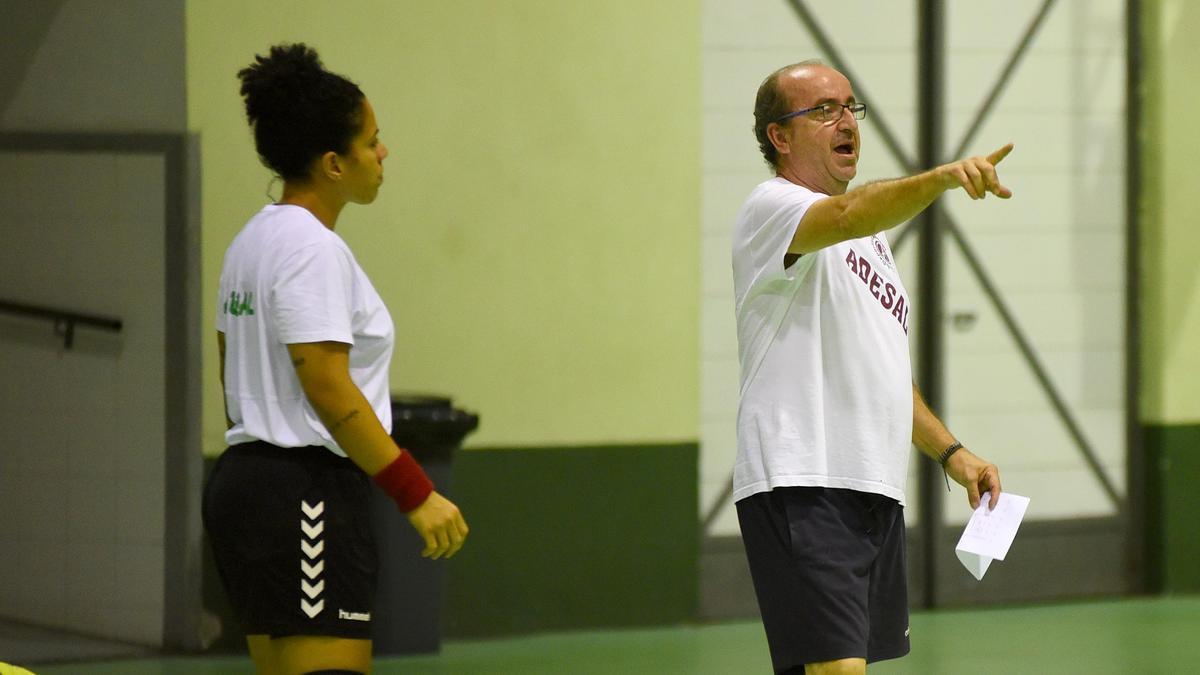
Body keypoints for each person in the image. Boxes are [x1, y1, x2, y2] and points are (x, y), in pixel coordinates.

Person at [730, 60, 1006, 675]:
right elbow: (851, 212)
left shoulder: (872, 248)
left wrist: (952, 453)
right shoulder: (772, 208)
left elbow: (882, 371)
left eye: (851, 107)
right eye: (823, 109)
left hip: (872, 486)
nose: (845, 121)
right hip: (804, 478)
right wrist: (941, 178)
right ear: (780, 136)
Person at [202, 43, 468, 675]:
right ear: (332, 164)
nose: (383, 154)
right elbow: (325, 383)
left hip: (246, 486)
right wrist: (414, 491)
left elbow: (227, 363)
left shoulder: (251, 240)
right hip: (305, 495)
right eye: (372, 142)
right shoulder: (308, 248)